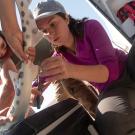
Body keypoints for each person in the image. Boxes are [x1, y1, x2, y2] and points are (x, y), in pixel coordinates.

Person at [32, 0, 135, 134]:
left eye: (52, 24)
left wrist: (70, 70)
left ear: (66, 18)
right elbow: (39, 83)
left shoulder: (90, 27)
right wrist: (33, 93)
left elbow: (112, 71)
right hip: (111, 90)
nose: (50, 33)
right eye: (44, 31)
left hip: (129, 68)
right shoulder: (59, 58)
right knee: (109, 121)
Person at [0, 31, 36, 125]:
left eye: (3, 46)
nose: (1, 53)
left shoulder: (5, 60)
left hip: (15, 120)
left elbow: (10, 87)